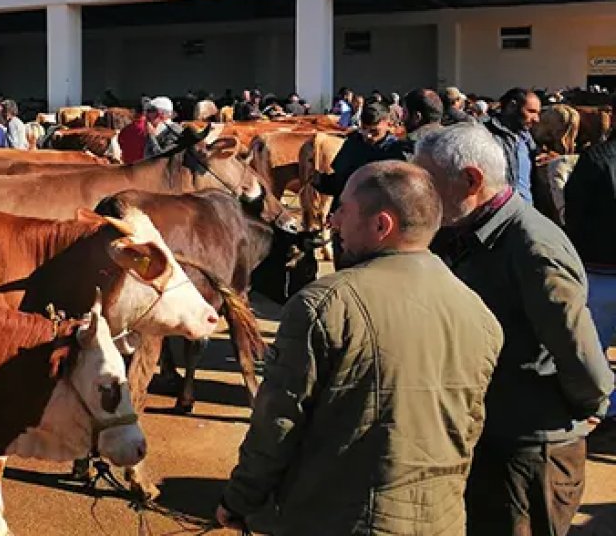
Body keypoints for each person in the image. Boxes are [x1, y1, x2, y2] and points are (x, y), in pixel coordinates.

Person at [216, 161, 504, 535]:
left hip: (340, 518)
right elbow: (468, 427)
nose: (333, 221)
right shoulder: (479, 313)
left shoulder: (324, 305)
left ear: (382, 225)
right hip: (441, 518)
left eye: (343, 211)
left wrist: (240, 500)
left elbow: (277, 424)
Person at [416, 124, 613, 535]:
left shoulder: (532, 248)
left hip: (530, 451)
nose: (424, 199)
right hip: (492, 435)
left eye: (431, 185)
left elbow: (583, 360)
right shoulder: (469, 235)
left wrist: (583, 411)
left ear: (471, 180)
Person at [564, 135, 616, 425]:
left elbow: (575, 210)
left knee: (594, 346)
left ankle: (603, 407)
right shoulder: (596, 158)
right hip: (600, 267)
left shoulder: (595, 158)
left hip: (598, 269)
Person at [316, 103, 407, 216]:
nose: (368, 135)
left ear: (388, 124)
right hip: (349, 215)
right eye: (364, 129)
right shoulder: (353, 143)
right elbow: (340, 182)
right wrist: (320, 181)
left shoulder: (396, 152)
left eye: (374, 131)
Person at [485, 87, 541, 205]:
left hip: (526, 211)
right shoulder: (485, 135)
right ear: (512, 106)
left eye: (538, 113)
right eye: (531, 111)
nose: (537, 119)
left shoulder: (527, 138)